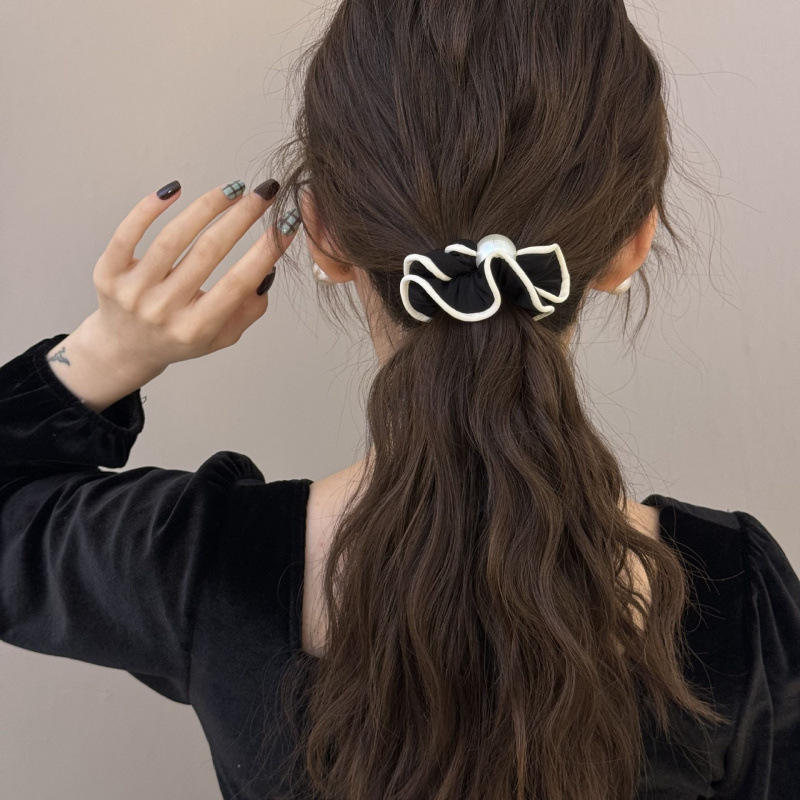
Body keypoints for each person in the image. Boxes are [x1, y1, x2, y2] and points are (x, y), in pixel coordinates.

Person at [1, 1, 799, 798]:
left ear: (322, 234)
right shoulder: (742, 595)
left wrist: (109, 352)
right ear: (634, 241)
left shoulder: (210, 566)